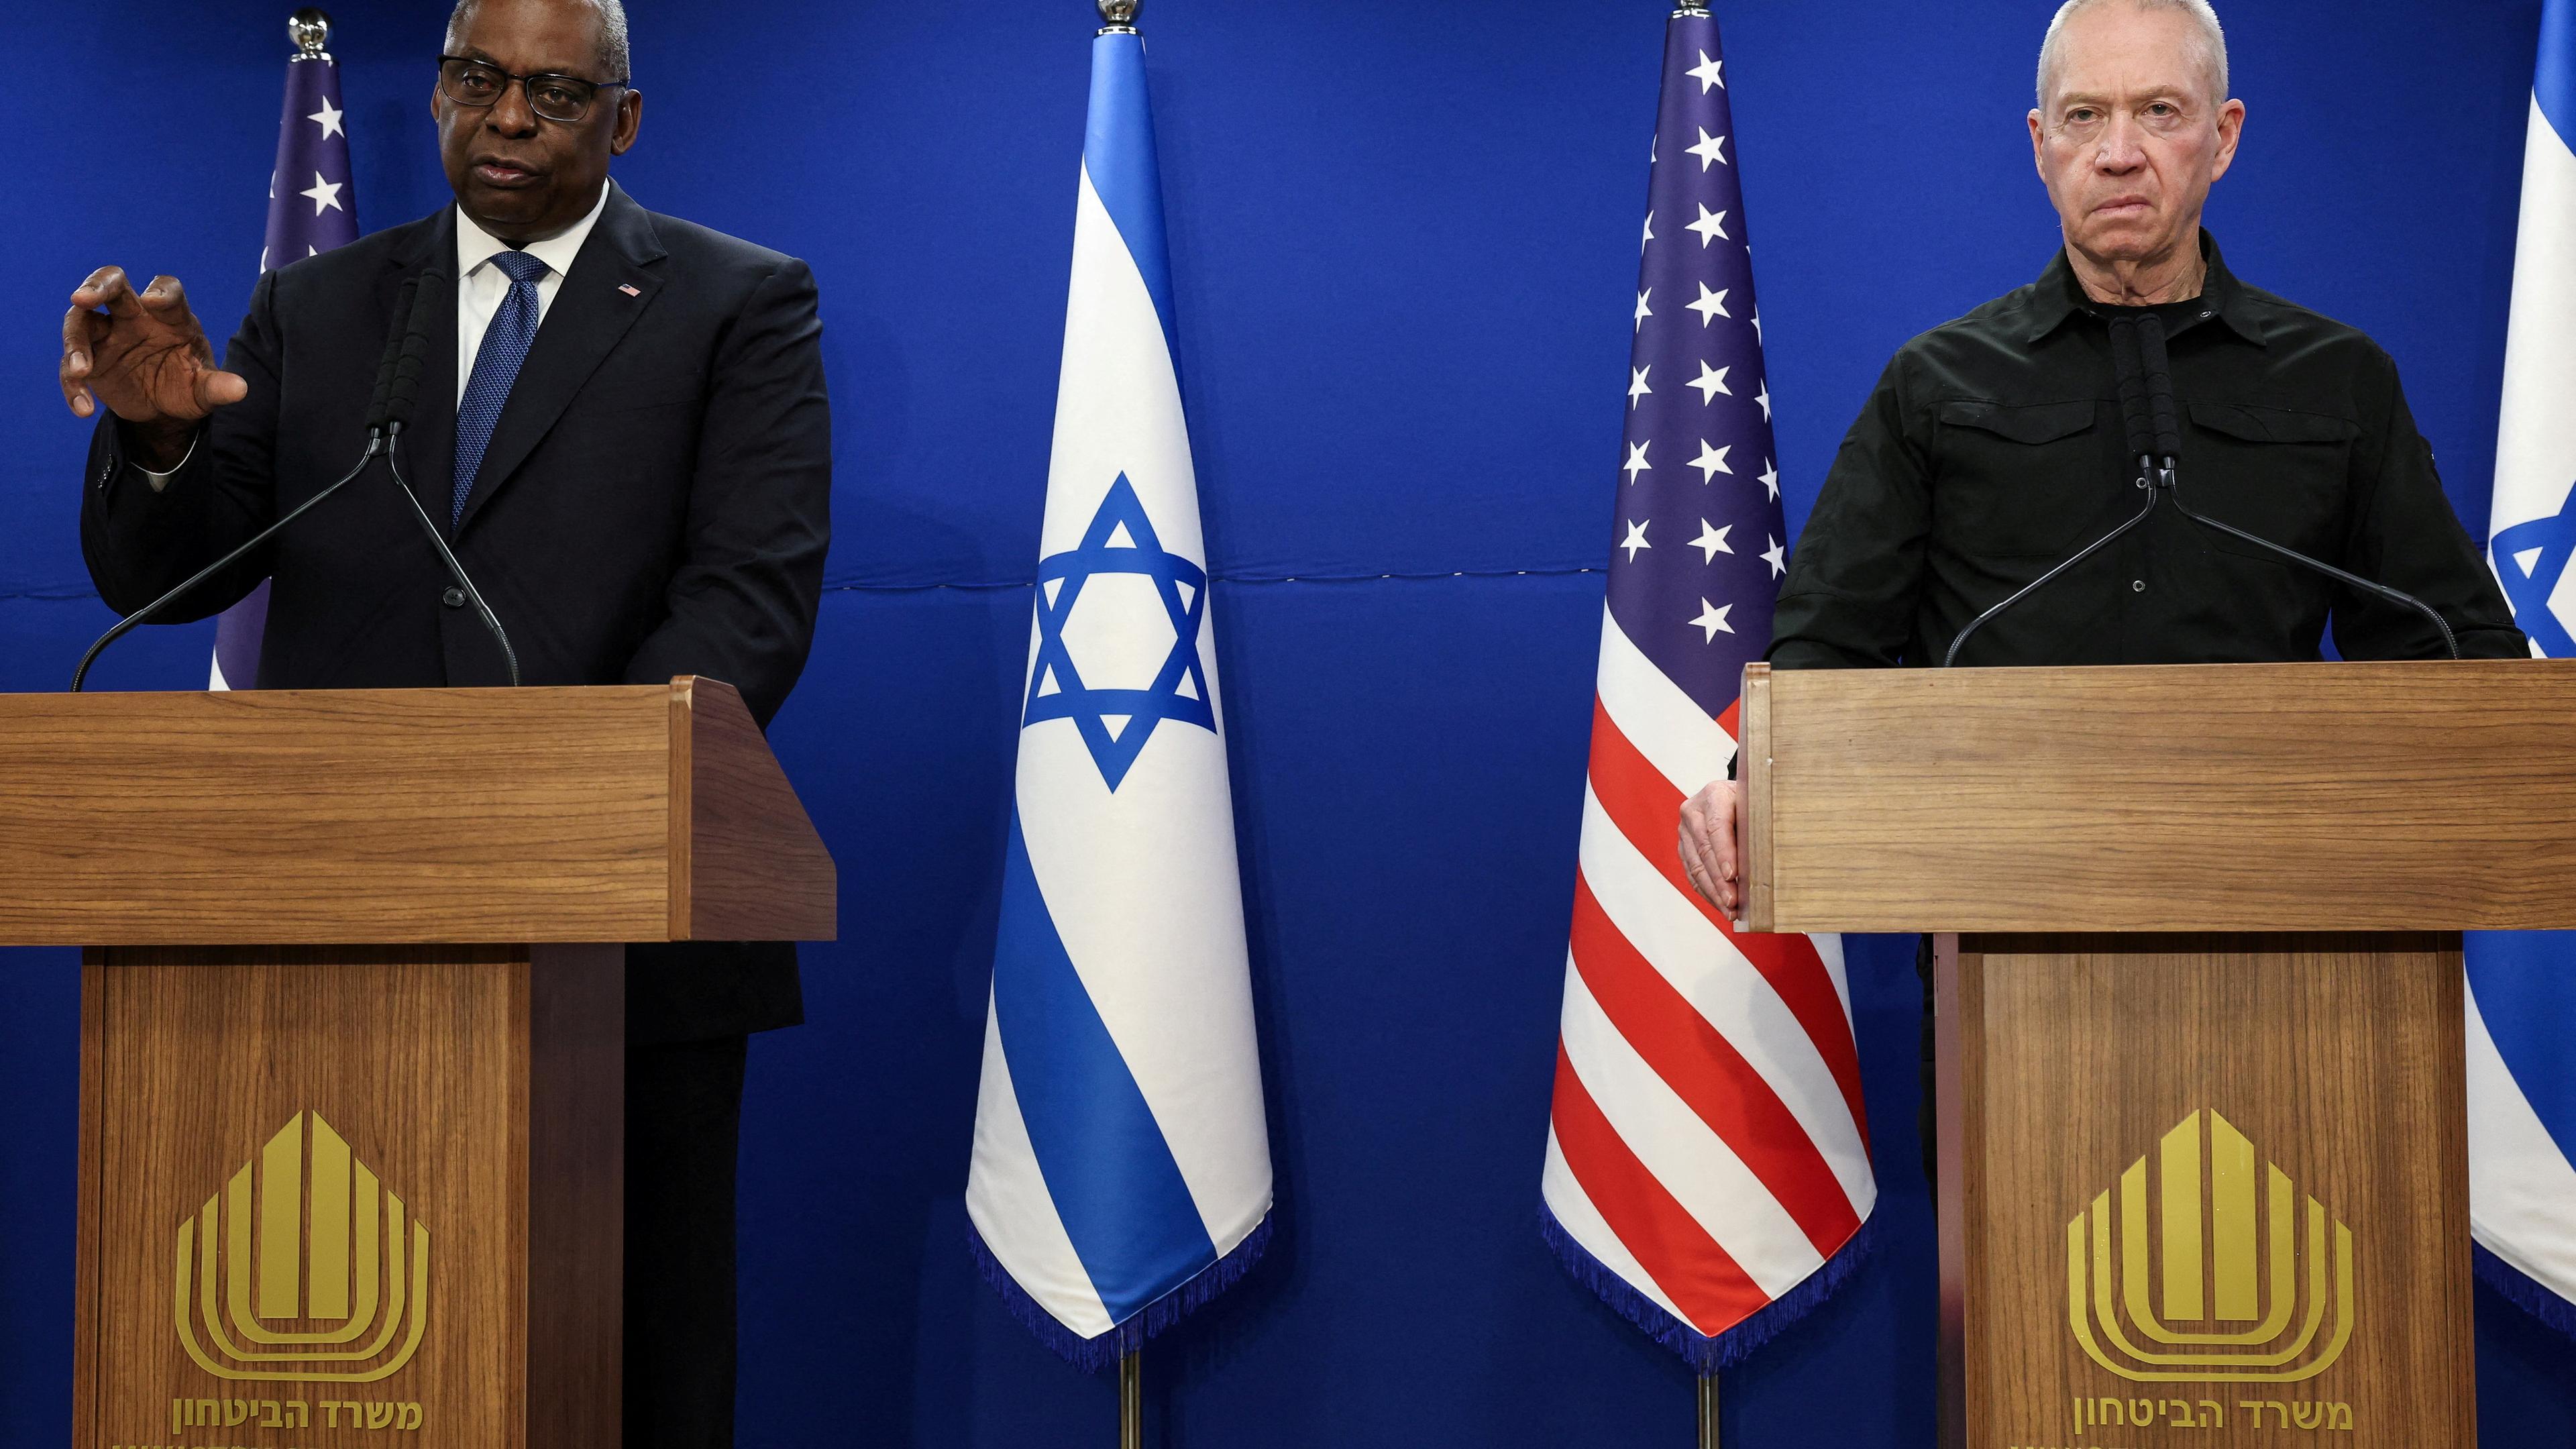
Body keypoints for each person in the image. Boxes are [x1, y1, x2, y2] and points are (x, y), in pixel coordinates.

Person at [56, 1, 830, 1443]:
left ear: (626, 118)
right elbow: (187, 578)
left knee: (625, 1373)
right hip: (326, 945)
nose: (512, 116)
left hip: (626, 954)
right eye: (480, 79)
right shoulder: (326, 304)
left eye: (552, 90)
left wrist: (550, 810)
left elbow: (748, 605)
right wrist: (159, 441)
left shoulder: (738, 303)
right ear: (435, 95)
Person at [1673, 0, 2526, 1168]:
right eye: (2086, 116)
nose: (2118, 150)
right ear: (2040, 144)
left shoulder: (2339, 383)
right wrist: (1748, 778)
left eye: (2158, 113)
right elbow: (1830, 645)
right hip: (2012, 969)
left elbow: (2460, 657)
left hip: (2301, 976)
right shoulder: (1938, 387)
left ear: (2222, 137)